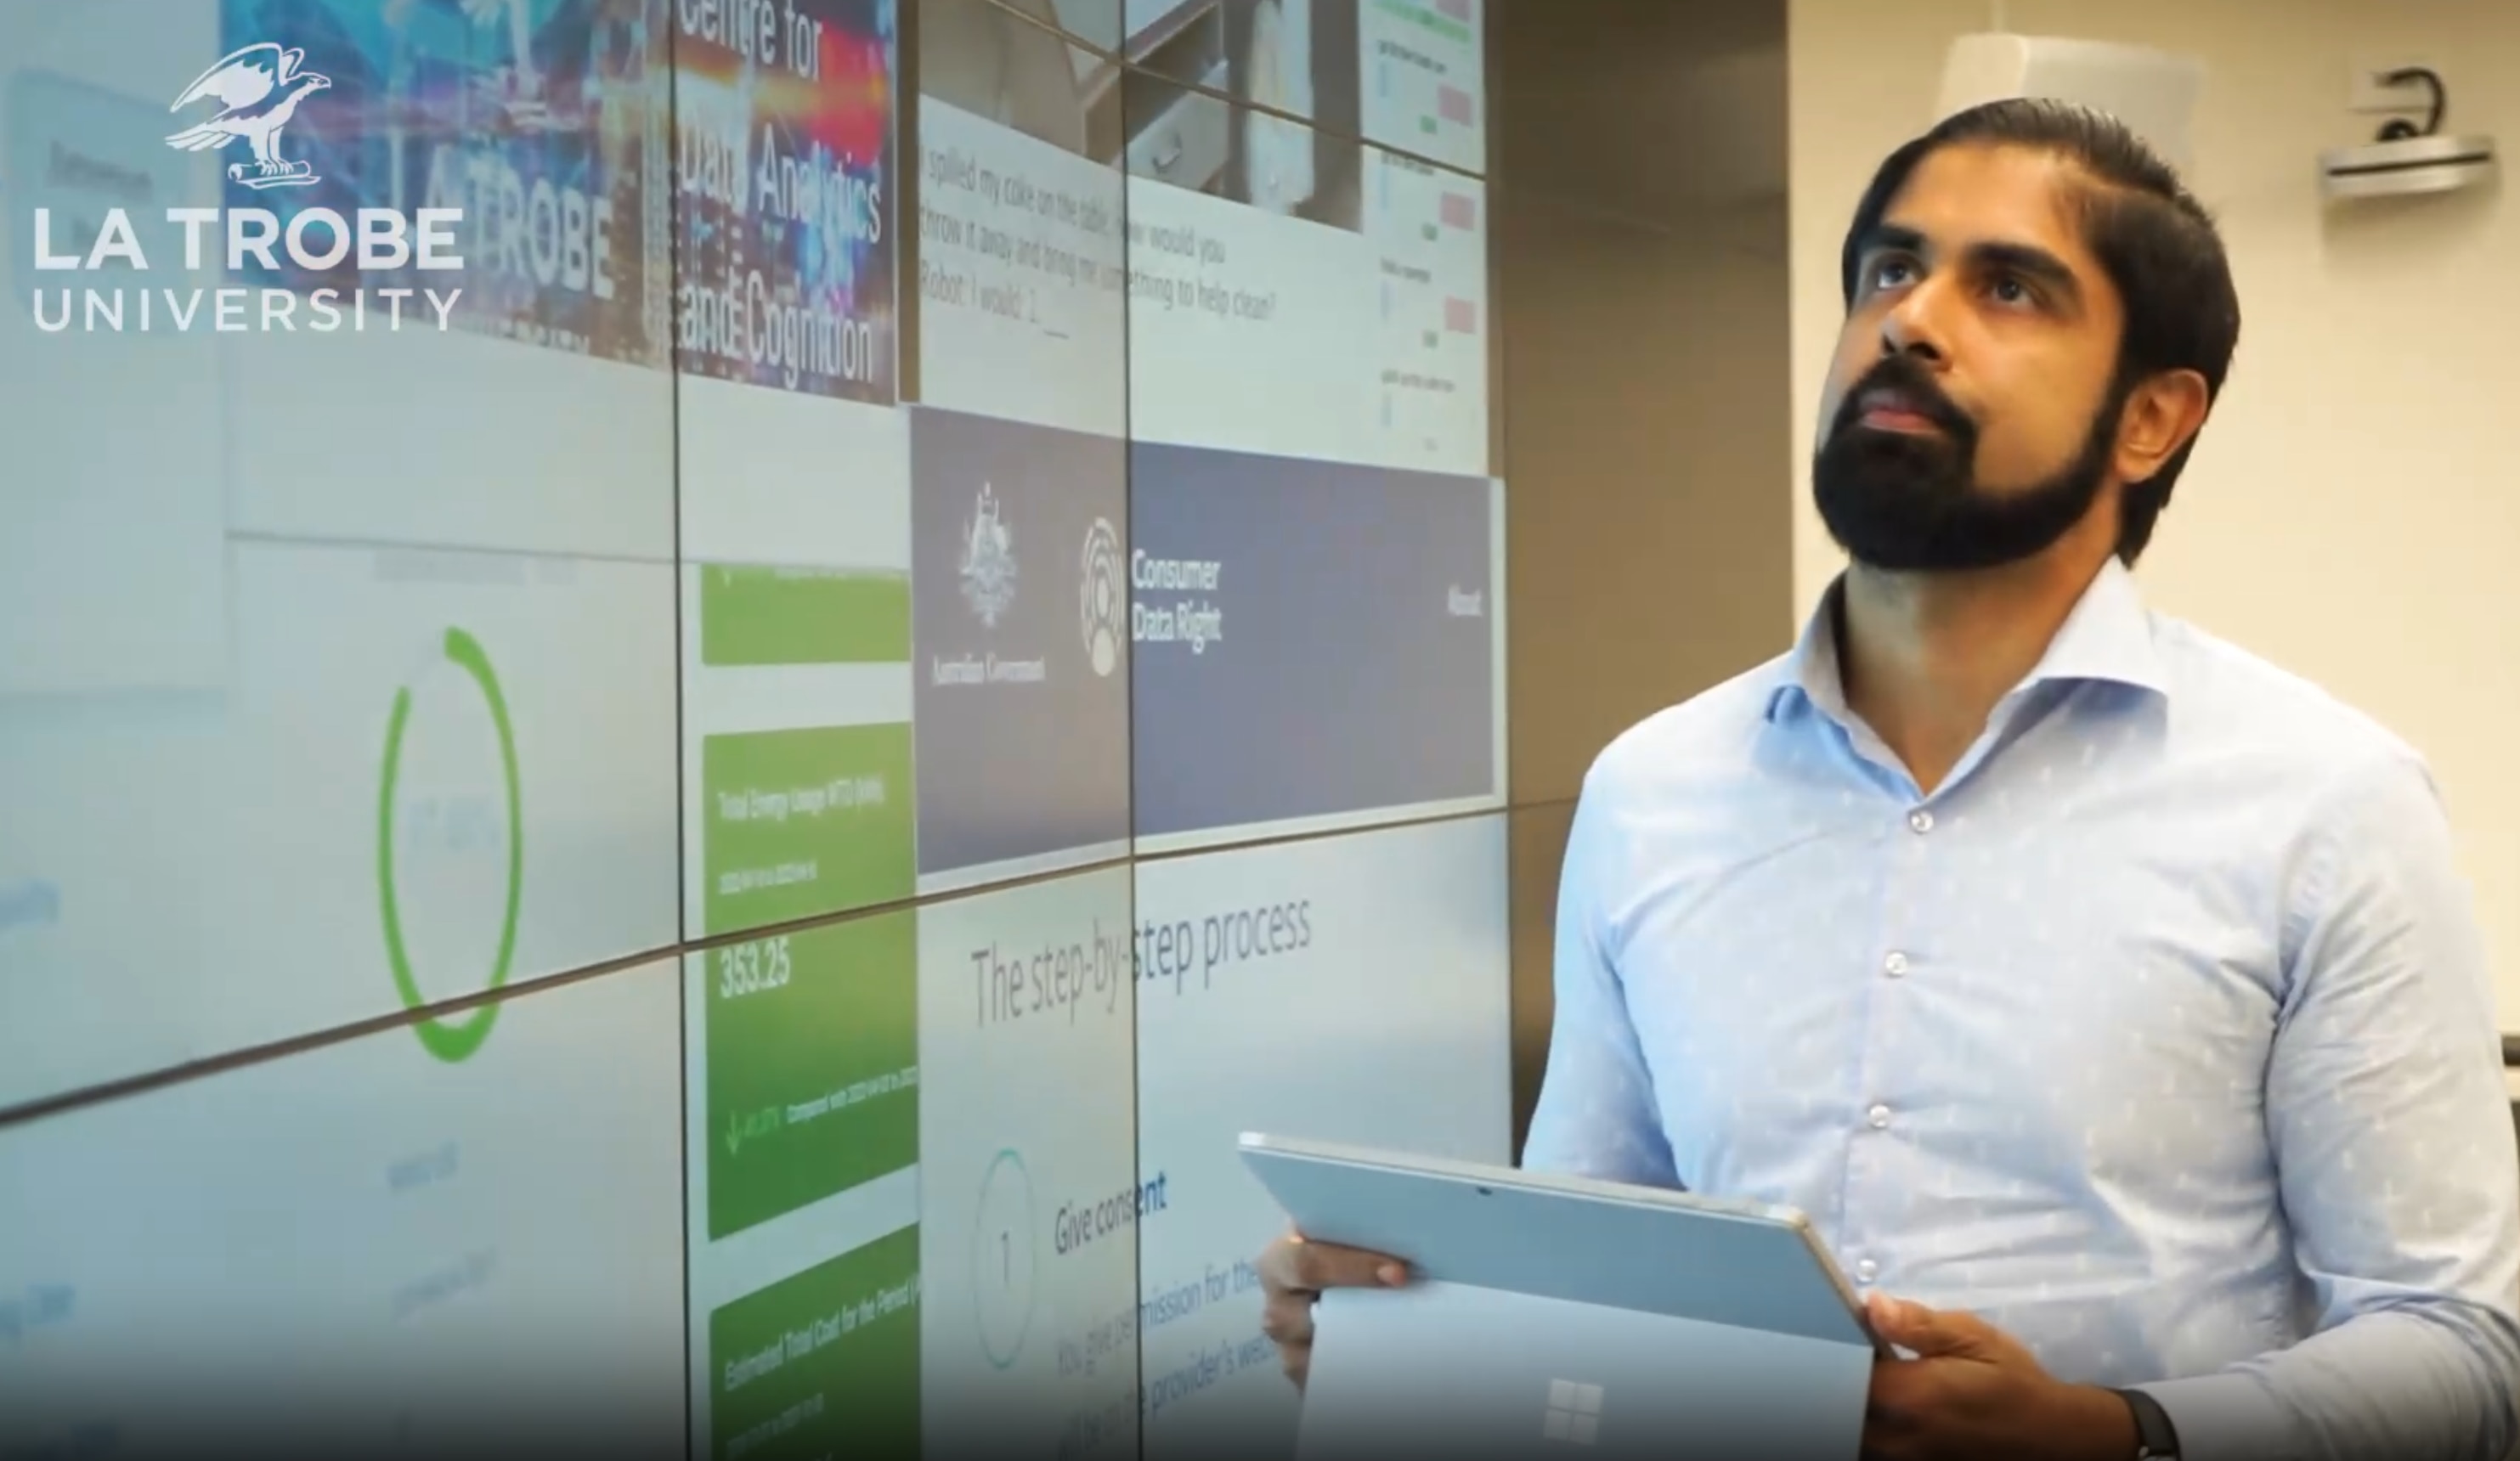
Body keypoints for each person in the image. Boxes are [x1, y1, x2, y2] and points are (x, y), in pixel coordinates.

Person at [1257, 98, 2520, 1461]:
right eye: (1887, 271)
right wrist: (1415, 1328)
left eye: (2011, 288)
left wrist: (2114, 1437)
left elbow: (2457, 1351)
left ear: (2150, 417)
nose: (1910, 321)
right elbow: (1593, 1277)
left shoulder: (2325, 807)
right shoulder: (1650, 790)